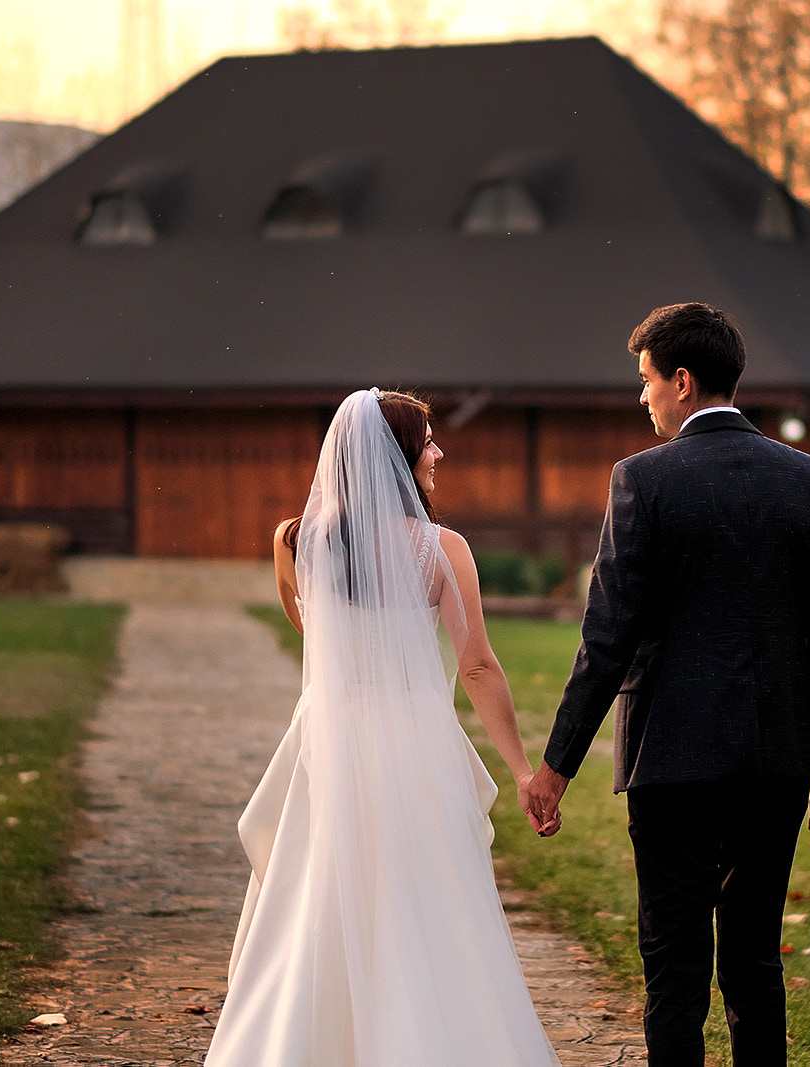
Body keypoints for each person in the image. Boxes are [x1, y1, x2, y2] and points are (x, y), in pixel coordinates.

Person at [526, 303, 810, 1067]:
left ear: (682, 381)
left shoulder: (642, 480)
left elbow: (606, 637)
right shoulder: (808, 479)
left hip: (669, 758)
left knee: (674, 964)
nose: (642, 395)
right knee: (755, 959)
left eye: (647, 379)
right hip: (776, 757)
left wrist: (556, 765)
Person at [205, 388, 561, 1066]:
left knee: (319, 889)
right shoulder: (442, 549)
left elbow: (310, 629)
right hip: (411, 738)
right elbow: (477, 665)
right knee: (419, 897)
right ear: (396, 455)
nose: (438, 452)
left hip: (328, 736)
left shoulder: (295, 540)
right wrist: (522, 771)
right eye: (426, 441)